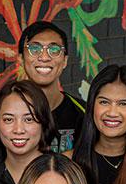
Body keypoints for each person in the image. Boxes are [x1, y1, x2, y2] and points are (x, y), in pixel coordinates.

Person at [17, 20, 85, 152]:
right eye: (34, 49)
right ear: (21, 59)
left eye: (54, 50)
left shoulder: (84, 114)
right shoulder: (3, 115)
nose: (44, 57)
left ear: (65, 61)